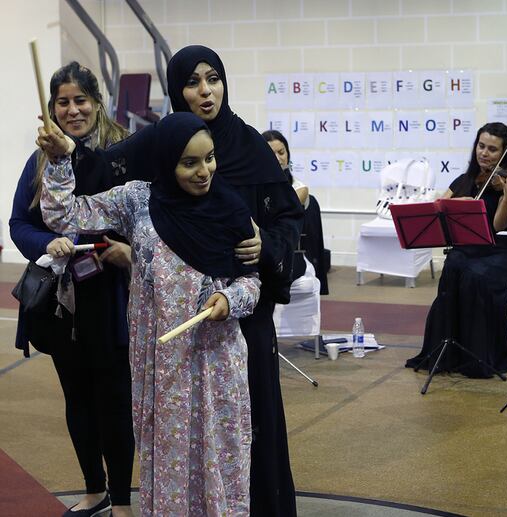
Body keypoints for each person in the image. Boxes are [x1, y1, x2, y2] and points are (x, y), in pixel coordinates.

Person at [55, 45, 303, 515]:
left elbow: (289, 222)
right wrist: (68, 153)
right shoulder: (157, 151)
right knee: (176, 441)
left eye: (214, 78)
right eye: (192, 82)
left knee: (247, 433)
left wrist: (266, 247)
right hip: (172, 333)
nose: (205, 91)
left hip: (239, 321)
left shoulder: (250, 148)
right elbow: (98, 177)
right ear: (175, 90)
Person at [39, 112, 259, 516]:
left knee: (220, 454)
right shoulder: (137, 199)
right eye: (189, 162)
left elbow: (251, 282)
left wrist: (230, 300)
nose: (203, 171)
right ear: (165, 160)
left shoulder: (230, 206)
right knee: (170, 459)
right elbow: (63, 216)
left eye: (209, 159)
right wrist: (58, 163)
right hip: (160, 364)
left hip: (217, 363)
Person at [9, 62, 135, 517]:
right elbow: (18, 224)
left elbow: (142, 214)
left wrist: (121, 248)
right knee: (77, 396)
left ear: (97, 102)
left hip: (112, 297)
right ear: (51, 109)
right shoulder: (40, 159)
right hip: (63, 301)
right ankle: (94, 489)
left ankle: (121, 499)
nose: (73, 109)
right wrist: (49, 241)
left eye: (80, 100)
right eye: (63, 102)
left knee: (115, 399)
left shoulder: (121, 148)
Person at [405, 122, 507, 378]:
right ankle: (448, 351)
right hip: (467, 251)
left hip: (499, 254)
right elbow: (437, 207)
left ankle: (479, 356)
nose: (484, 153)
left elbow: (499, 226)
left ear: (504, 152)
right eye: (481, 146)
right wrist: (452, 203)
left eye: (493, 149)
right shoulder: (463, 180)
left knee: (474, 275)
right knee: (454, 267)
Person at [263, 129, 329, 293]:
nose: (278, 158)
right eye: (272, 153)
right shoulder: (256, 186)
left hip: (291, 257)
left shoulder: (299, 189)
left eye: (281, 152)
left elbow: (275, 212)